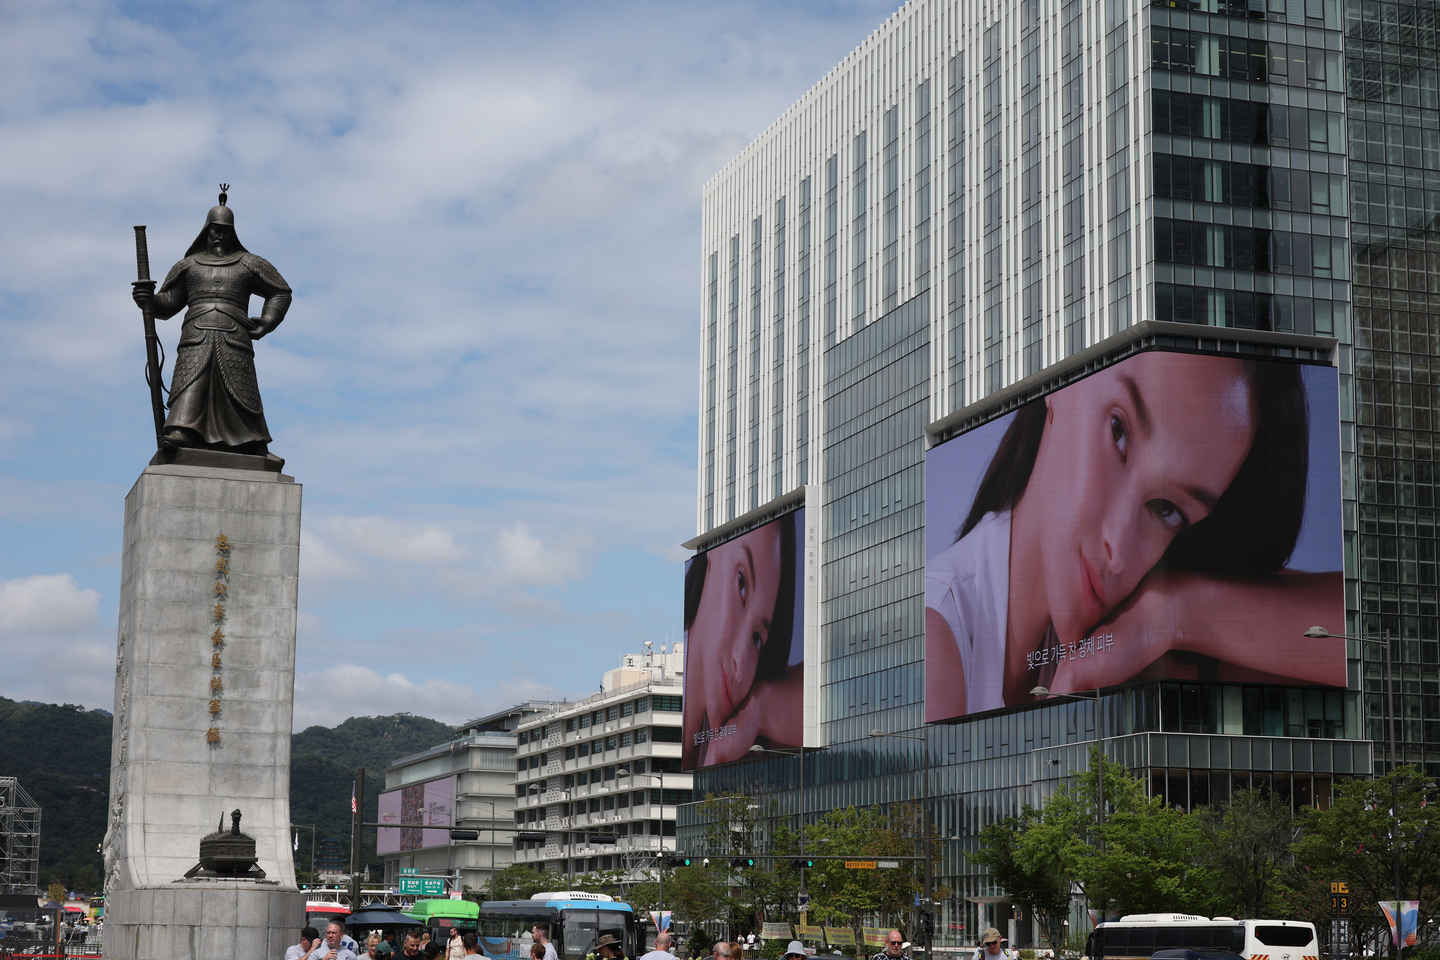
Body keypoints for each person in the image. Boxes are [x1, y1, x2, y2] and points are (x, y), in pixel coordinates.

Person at [925, 352, 1345, 717]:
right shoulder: (936, 631)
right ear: (1056, 384)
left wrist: (1175, 614)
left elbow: (1382, 636)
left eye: (1167, 510)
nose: (1118, 546)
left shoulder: (1127, 636)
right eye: (1118, 432)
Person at [131, 189, 293, 454]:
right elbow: (168, 303)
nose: (220, 235)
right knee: (191, 382)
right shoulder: (189, 265)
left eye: (225, 230)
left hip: (234, 337)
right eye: (215, 229)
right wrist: (148, 299)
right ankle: (182, 431)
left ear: (233, 232)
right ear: (205, 230)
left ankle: (251, 441)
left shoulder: (249, 263)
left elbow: (280, 291)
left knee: (240, 389)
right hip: (196, 334)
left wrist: (267, 321)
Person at [682, 511, 805, 768]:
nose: (740, 662)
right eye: (741, 583)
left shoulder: (752, 743)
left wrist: (759, 709)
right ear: (712, 552)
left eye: (757, 639)